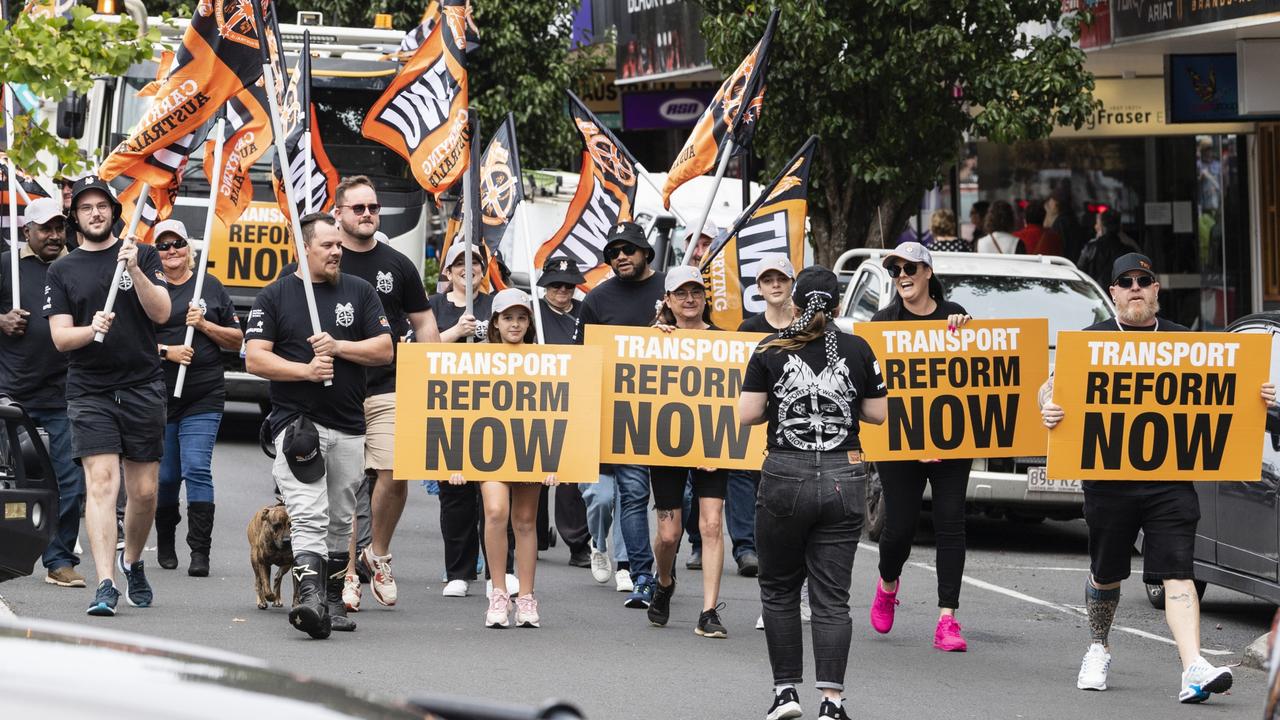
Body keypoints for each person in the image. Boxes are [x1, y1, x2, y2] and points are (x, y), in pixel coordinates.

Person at [1039, 252, 1274, 703]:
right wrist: (1048, 407)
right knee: (1106, 573)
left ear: (1155, 290)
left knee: (1178, 572)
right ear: (1112, 292)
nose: (1134, 288)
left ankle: (1192, 667)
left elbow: (1229, 389)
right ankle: (1098, 647)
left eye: (1143, 281)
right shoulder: (1089, 342)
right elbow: (1048, 389)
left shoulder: (1188, 344)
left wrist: (1257, 393)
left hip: (1169, 482)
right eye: (1125, 281)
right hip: (1107, 482)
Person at [739, 266, 888, 720]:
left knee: (780, 589)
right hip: (845, 477)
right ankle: (832, 702)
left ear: (797, 304)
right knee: (831, 597)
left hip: (786, 474)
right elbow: (878, 415)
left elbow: (748, 414)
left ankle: (786, 692)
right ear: (840, 304)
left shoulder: (770, 347)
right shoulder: (859, 348)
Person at [245, 212, 393, 638]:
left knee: (341, 517)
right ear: (304, 247)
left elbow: (385, 349)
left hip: (349, 423)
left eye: (339, 245)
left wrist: (339, 346)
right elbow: (255, 357)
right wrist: (305, 371)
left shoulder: (359, 291)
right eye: (328, 245)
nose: (336, 251)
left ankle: (330, 601)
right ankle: (308, 599)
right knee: (308, 512)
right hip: (297, 426)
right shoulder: (274, 296)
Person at [45, 176, 172, 616]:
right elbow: (61, 339)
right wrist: (91, 330)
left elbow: (162, 313)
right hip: (89, 390)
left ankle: (132, 560)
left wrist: (135, 268)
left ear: (114, 212)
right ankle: (105, 583)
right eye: (86, 208)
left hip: (142, 385)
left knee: (144, 491)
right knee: (100, 485)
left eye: (102, 206)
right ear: (75, 217)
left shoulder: (144, 254)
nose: (95, 213)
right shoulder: (62, 270)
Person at [325, 176, 440, 612]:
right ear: (338, 213)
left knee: (395, 474)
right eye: (358, 208)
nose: (368, 214)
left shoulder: (398, 264)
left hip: (390, 385)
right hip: (337, 391)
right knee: (349, 485)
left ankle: (379, 555)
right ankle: (350, 572)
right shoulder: (323, 261)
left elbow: (424, 321)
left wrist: (435, 371)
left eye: (373, 207)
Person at [866, 241, 974, 652]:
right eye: (895, 271)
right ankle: (888, 583)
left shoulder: (954, 317)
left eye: (910, 267)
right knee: (900, 529)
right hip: (900, 444)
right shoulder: (883, 321)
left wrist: (968, 333)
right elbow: (874, 389)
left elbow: (975, 376)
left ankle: (948, 619)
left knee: (951, 524)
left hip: (951, 443)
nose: (902, 276)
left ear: (929, 272)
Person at [446, 288, 557, 628]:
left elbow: (556, 408)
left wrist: (555, 460)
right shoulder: (476, 356)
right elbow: (457, 407)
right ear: (494, 322)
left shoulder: (543, 357)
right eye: (508, 317)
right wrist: (456, 459)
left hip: (530, 447)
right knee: (495, 512)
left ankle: (526, 597)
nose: (515, 324)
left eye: (522, 317)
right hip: (487, 447)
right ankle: (498, 593)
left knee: (525, 520)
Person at [579, 221, 665, 608]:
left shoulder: (672, 291)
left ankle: (664, 573)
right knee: (632, 495)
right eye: (613, 253)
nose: (620, 257)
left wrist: (672, 328)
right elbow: (582, 359)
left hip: (670, 417)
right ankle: (642, 574)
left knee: (671, 504)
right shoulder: (597, 300)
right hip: (620, 416)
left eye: (627, 249)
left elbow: (704, 338)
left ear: (645, 251)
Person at [0, 198, 84, 588]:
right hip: (10, 393)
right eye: (45, 229)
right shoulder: (6, 266)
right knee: (11, 480)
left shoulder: (74, 266)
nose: (53, 236)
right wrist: (0, 320)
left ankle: (59, 559)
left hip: (65, 392)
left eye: (59, 228)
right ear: (26, 232)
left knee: (69, 480)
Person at [151, 220, 243, 577]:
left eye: (177, 243)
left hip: (203, 393)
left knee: (197, 468)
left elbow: (236, 340)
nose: (171, 250)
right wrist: (166, 352)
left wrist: (204, 324)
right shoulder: (150, 289)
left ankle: (200, 551)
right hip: (159, 396)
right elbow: (133, 340)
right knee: (167, 476)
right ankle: (165, 538)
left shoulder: (210, 286)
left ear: (189, 248)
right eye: (163, 245)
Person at [644, 265, 730, 638]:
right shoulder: (656, 339)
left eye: (696, 291)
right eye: (681, 293)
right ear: (668, 300)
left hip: (712, 442)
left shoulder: (727, 341)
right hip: (666, 446)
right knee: (668, 534)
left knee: (711, 525)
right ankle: (664, 582)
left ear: (705, 296)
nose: (690, 298)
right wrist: (652, 337)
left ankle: (709, 610)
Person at [430, 241, 495, 598]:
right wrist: (455, 332)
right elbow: (416, 350)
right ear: (448, 270)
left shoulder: (495, 304)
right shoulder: (434, 306)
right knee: (454, 494)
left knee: (496, 494)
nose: (466, 269)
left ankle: (501, 569)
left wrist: (485, 337)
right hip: (448, 411)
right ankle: (459, 570)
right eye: (459, 262)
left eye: (474, 263)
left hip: (492, 411)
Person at [535, 257, 592, 570]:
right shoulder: (532, 311)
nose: (562, 290)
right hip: (537, 399)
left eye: (569, 284)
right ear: (544, 285)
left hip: (574, 399)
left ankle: (577, 542)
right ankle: (536, 532)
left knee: (571, 475)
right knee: (533, 471)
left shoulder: (586, 313)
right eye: (556, 284)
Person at [1077, 208, 1134, 291]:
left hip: (1096, 294)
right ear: (1119, 226)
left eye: (1097, 224)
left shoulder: (1091, 248)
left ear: (1102, 226)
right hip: (1119, 296)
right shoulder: (1129, 250)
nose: (1095, 227)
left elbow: (1080, 272)